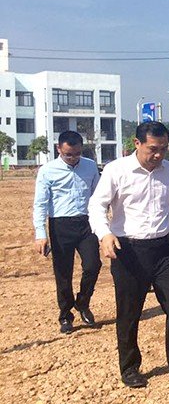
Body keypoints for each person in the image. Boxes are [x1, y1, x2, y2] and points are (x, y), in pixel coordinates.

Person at [88, 121, 169, 389]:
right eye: (152, 149)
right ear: (136, 144)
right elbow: (96, 205)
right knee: (129, 311)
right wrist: (104, 234)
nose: (158, 155)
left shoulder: (168, 170)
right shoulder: (117, 170)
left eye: (163, 149)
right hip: (128, 250)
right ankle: (129, 367)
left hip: (164, 249)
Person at [33, 130, 102, 335]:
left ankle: (83, 302)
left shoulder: (90, 166)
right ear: (59, 149)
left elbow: (98, 196)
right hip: (60, 225)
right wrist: (41, 234)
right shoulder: (47, 171)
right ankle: (65, 315)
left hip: (86, 223)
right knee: (63, 272)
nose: (73, 158)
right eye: (68, 154)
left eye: (77, 154)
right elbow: (40, 204)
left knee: (93, 265)